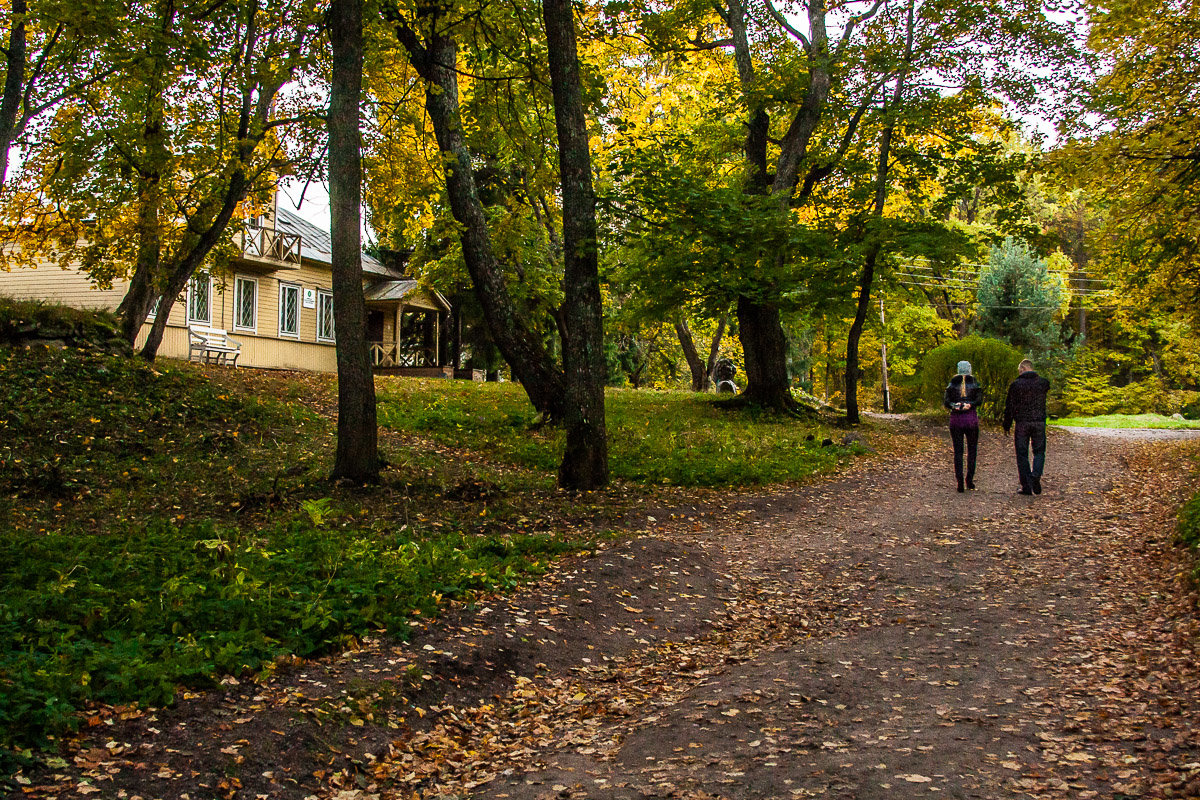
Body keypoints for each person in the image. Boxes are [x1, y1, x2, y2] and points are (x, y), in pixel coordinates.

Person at [1003, 359, 1051, 495]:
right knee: (1039, 451)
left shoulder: (1016, 385)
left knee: (1022, 454)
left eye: (1019, 370)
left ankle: (1026, 486)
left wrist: (1007, 424)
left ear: (1023, 368)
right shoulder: (1043, 383)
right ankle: (1035, 475)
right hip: (1039, 422)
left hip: (1022, 423)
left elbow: (1010, 407)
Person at [943, 360, 983, 492]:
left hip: (956, 419)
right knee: (972, 451)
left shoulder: (952, 383)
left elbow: (946, 401)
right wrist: (970, 404)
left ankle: (959, 482)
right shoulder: (974, 382)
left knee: (958, 452)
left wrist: (955, 405)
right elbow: (979, 400)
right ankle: (969, 480)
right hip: (971, 419)